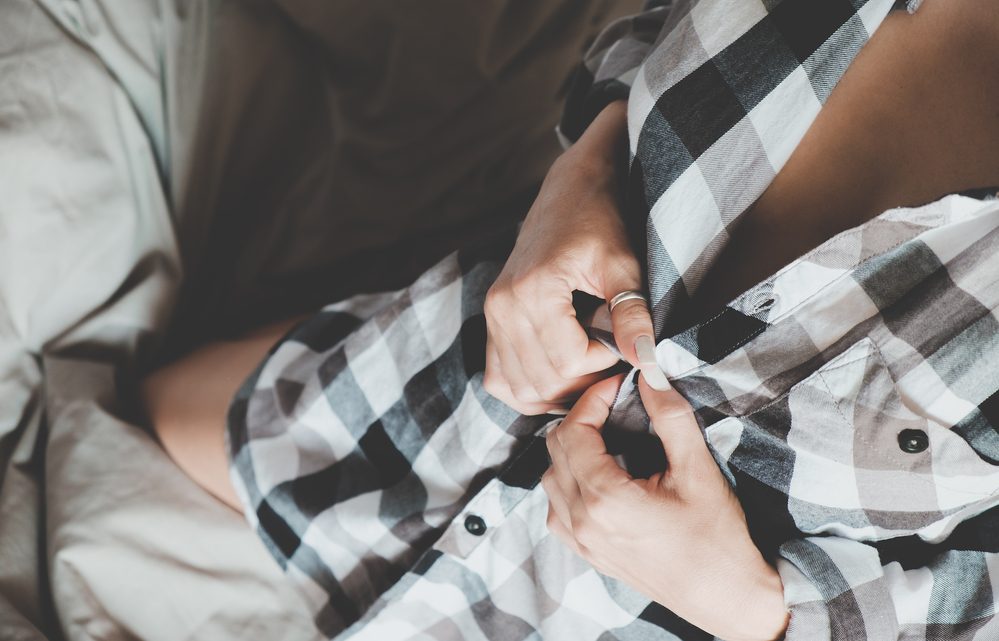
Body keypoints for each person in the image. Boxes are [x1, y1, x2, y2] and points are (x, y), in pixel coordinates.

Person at [142, 0, 999, 639]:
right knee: (157, 400)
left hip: (628, 612)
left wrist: (759, 614)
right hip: (478, 376)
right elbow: (646, 34)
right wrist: (577, 175)